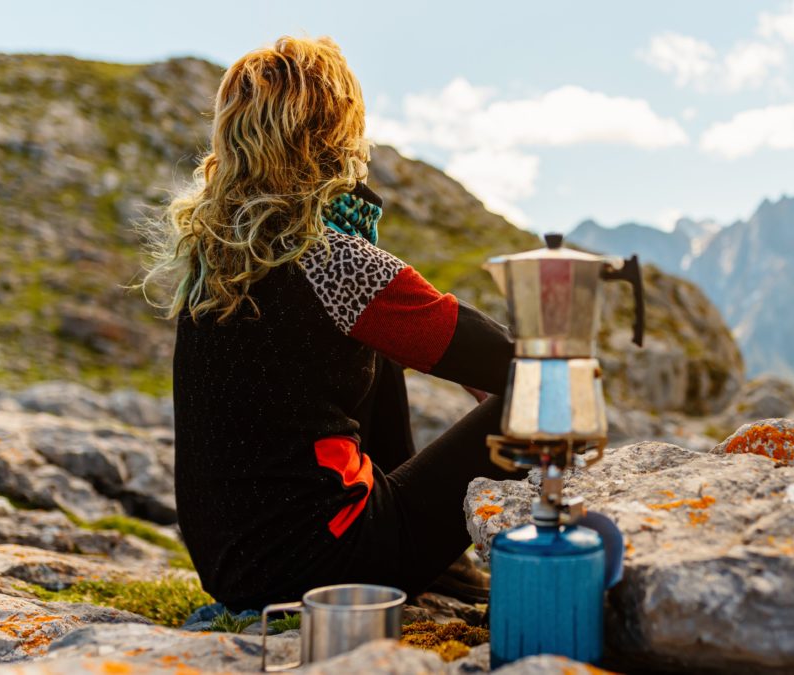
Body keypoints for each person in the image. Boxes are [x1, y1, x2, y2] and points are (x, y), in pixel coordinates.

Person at [142, 35, 519, 610]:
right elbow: (517, 364)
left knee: (375, 344)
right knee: (542, 398)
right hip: (333, 560)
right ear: (335, 136)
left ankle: (444, 572)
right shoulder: (333, 260)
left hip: (236, 570)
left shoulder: (216, 260)